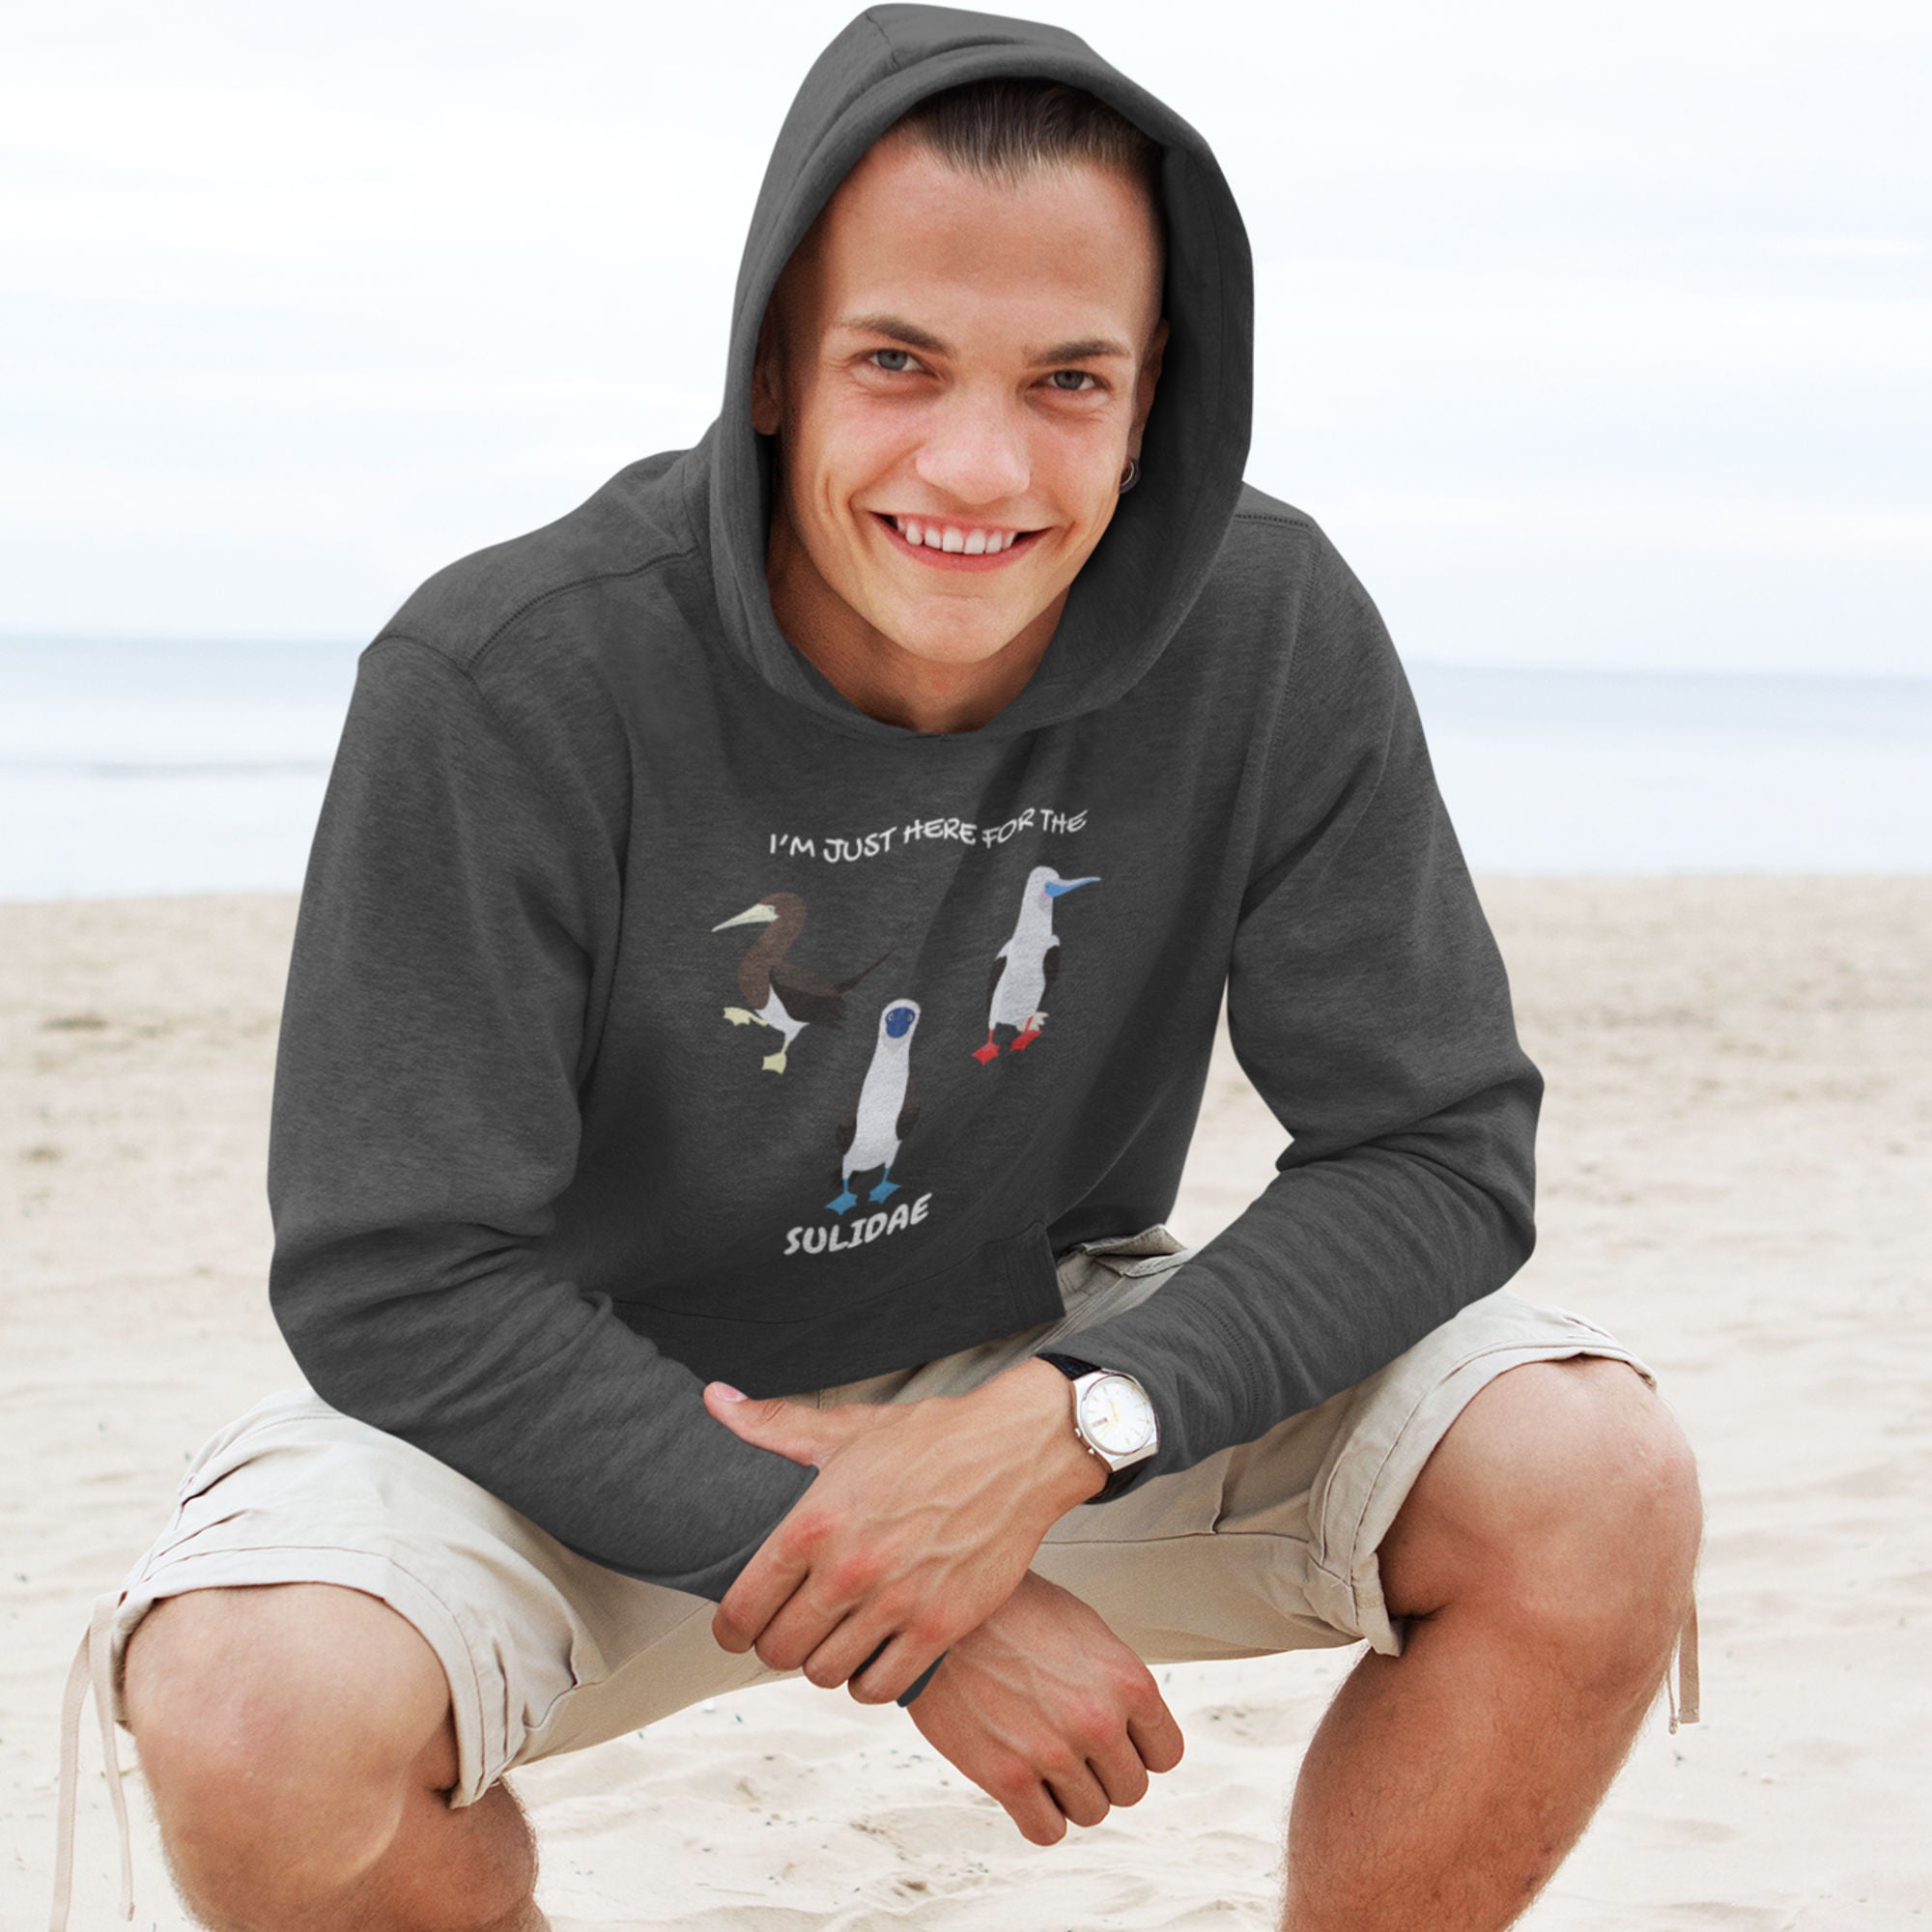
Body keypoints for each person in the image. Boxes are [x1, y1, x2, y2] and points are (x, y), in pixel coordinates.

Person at [49, 8, 1703, 1930]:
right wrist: (920, 1599)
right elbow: (399, 1274)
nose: (980, 464)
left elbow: (1433, 1145)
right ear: (771, 363)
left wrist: (1057, 1425)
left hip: (1030, 1344)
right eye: (897, 362)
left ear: (1158, 391)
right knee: (253, 1708)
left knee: (1590, 1473)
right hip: (569, 1409)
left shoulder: (1262, 629)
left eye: (1069, 378)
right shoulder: (508, 674)